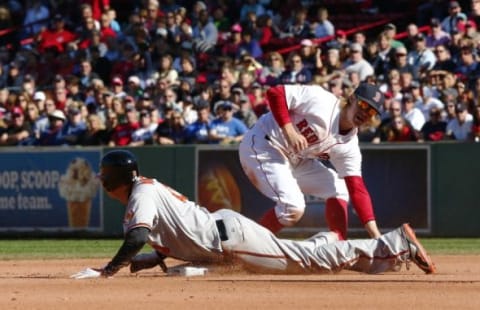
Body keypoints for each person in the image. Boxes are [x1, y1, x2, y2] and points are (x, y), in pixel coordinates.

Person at [71, 150, 435, 279]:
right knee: (306, 256)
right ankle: (332, 240)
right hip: (223, 237)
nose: (103, 183)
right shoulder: (144, 191)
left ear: (113, 179)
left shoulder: (141, 194)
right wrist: (155, 257)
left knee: (305, 262)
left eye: (105, 177)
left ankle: (395, 243)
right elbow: (175, 230)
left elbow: (136, 236)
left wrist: (108, 272)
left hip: (229, 239)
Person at [238, 83, 384, 241]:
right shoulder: (322, 101)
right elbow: (275, 92)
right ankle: (248, 245)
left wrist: (376, 235)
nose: (365, 112)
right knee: (293, 207)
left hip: (295, 159)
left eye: (371, 111)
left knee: (340, 189)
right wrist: (289, 130)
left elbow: (357, 189)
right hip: (264, 144)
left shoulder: (349, 145)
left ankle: (339, 244)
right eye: (363, 104)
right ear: (352, 98)